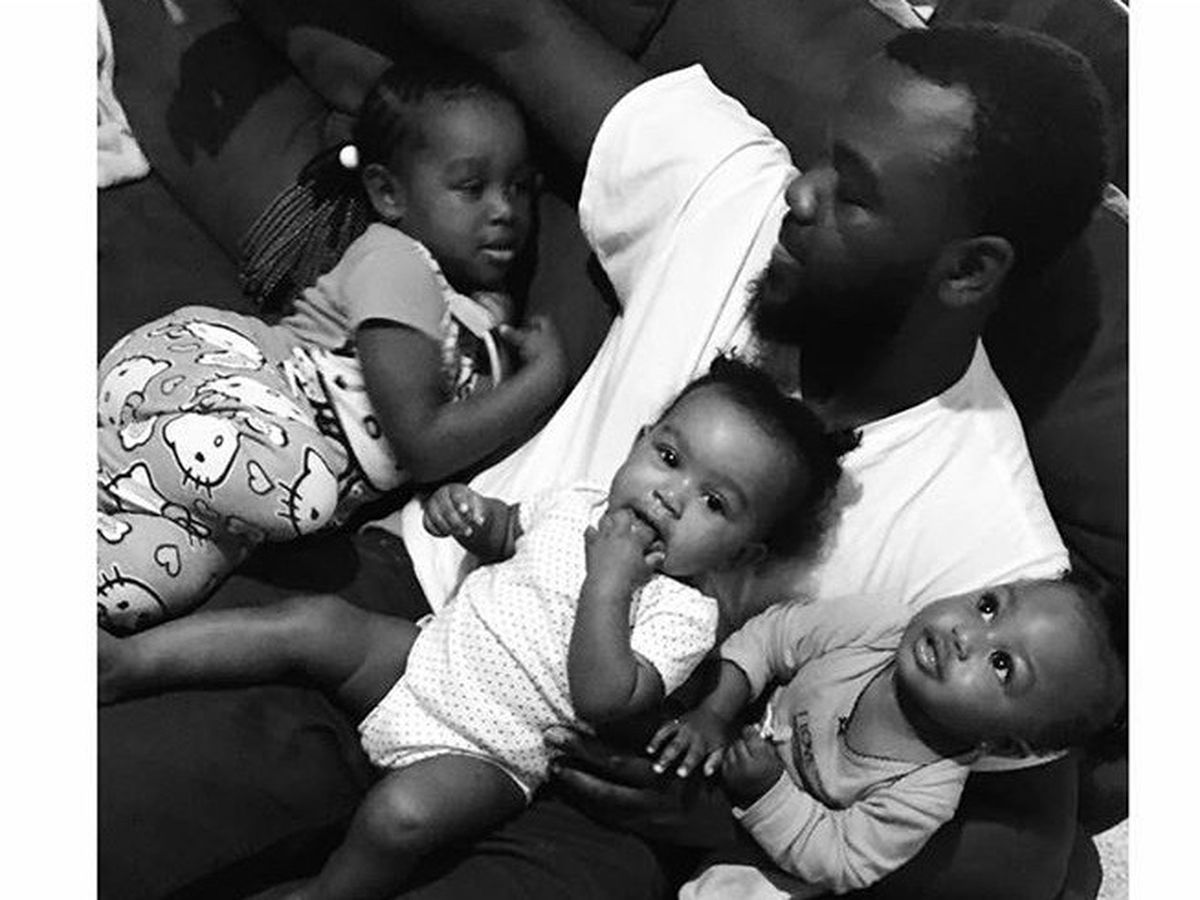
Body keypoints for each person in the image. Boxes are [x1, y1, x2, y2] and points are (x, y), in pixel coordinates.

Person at [346, 5, 1111, 898]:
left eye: (854, 192)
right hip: (422, 598)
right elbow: (516, 29)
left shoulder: (989, 542)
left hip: (585, 805)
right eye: (824, 155)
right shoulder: (727, 189)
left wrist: (741, 818)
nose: (802, 194)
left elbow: (1028, 857)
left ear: (969, 270)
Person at [99, 357, 852, 900]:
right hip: (425, 655)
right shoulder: (579, 505)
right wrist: (469, 516)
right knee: (312, 622)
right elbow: (510, 533)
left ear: (743, 554)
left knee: (401, 818)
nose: (672, 496)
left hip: (490, 753)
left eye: (715, 503)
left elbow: (604, 696)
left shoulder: (684, 613)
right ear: (640, 438)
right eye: (668, 456)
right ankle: (128, 664)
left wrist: (611, 580)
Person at [97, 58, 568, 633]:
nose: (504, 210)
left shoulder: (476, 319)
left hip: (244, 478)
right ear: (388, 193)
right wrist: (541, 382)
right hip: (211, 371)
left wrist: (497, 330)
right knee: (305, 484)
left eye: (519, 188)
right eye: (472, 188)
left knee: (142, 587)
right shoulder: (398, 264)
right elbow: (423, 443)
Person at [648, 572, 1125, 898]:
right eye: (988, 607)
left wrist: (767, 791)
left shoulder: (925, 793)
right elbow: (774, 636)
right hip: (736, 729)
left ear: (1001, 745)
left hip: (774, 850)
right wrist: (715, 711)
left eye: (1002, 664)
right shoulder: (880, 626)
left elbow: (842, 860)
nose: (964, 636)